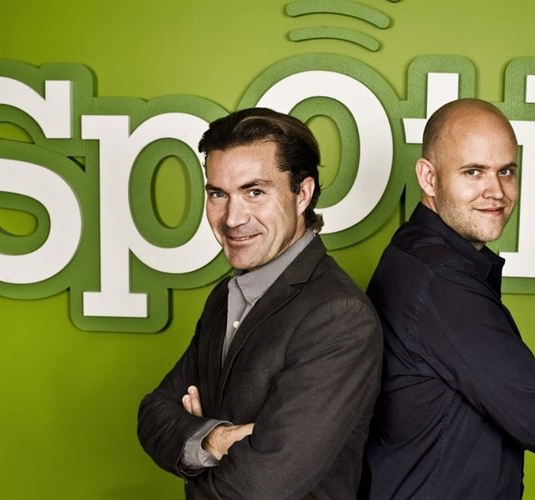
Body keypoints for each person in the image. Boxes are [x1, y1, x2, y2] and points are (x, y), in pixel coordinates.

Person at [138, 107, 382, 499]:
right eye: (218, 194)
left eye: (255, 192)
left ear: (302, 194)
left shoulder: (339, 316)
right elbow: (153, 413)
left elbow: (258, 487)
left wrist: (192, 446)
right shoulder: (225, 295)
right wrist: (213, 440)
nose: (232, 218)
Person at [360, 98, 535, 499]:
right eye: (473, 172)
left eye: (505, 171)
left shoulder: (416, 251)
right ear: (429, 178)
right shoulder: (444, 280)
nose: (496, 192)